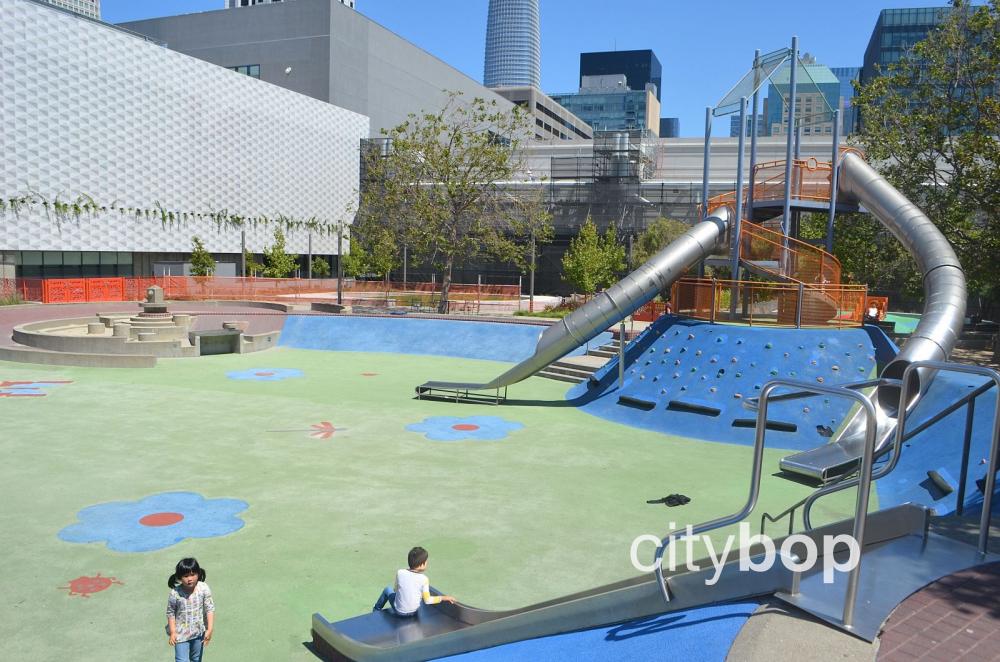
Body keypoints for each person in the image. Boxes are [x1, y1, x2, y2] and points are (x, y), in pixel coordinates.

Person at [373, 547, 456, 617]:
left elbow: (395, 589)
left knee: (388, 589)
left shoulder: (400, 572)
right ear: (421, 564)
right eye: (426, 561)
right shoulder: (424, 579)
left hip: (399, 611)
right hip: (414, 612)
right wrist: (444, 598)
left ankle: (376, 610)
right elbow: (427, 600)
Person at [166, 558, 214, 662]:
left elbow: (209, 608)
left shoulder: (203, 588)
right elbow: (171, 613)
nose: (190, 579)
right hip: (180, 633)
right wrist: (173, 632)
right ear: (179, 577)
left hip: (198, 632)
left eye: (193, 575)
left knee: (196, 659)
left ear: (198, 574)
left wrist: (209, 629)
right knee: (181, 660)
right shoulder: (175, 593)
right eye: (186, 576)